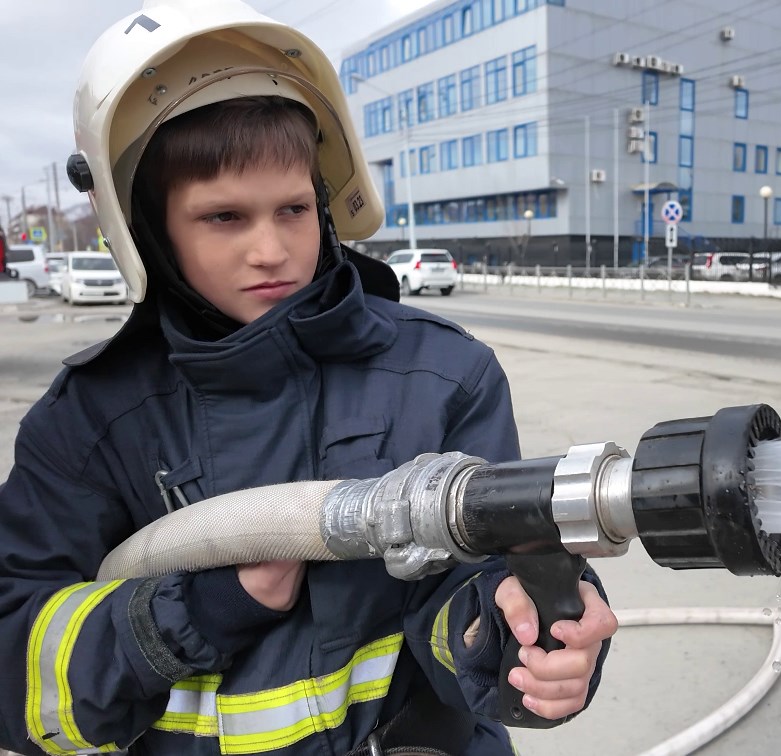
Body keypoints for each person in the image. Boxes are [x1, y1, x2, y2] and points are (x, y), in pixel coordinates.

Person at [0, 1, 616, 754]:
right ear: (149, 227)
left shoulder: (444, 375)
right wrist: (193, 612)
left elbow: (475, 580)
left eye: (292, 208)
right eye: (224, 217)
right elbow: (17, 672)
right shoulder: (91, 426)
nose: (272, 250)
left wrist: (516, 627)